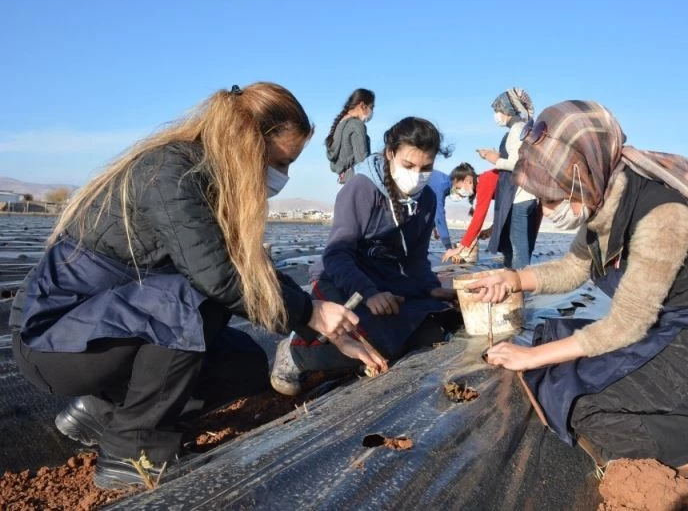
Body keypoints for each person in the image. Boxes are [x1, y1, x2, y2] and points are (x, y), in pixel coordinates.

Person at [9, 82, 385, 489]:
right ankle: (131, 449)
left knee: (241, 365)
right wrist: (311, 312)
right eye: (280, 161)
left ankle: (101, 411)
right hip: (54, 336)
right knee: (191, 300)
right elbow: (219, 275)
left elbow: (248, 266)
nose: (283, 176)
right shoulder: (171, 173)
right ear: (247, 142)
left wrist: (316, 322)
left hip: (102, 327)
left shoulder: (211, 180)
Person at [469, 100, 688, 477]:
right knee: (559, 366)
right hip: (674, 329)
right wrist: (514, 279)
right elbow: (573, 268)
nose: (547, 211)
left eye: (553, 199)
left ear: (584, 175)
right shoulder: (604, 195)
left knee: (584, 405)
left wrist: (534, 358)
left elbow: (628, 325)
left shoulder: (661, 215)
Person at [271, 117, 460, 396]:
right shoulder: (362, 188)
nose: (417, 174)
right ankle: (297, 351)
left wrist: (431, 288)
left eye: (426, 168)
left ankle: (368, 342)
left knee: (432, 331)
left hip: (386, 281)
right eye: (409, 166)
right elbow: (337, 255)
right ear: (390, 154)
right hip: (342, 278)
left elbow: (415, 260)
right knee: (374, 341)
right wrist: (370, 294)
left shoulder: (427, 200)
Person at [476, 88, 543, 269]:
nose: (496, 115)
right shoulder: (526, 129)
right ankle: (518, 285)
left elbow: (516, 164)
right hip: (528, 197)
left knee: (517, 248)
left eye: (497, 111)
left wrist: (494, 159)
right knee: (518, 246)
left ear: (506, 109)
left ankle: (520, 289)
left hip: (520, 197)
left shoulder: (517, 129)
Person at [441, 164, 500, 264]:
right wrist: (491, 229)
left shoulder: (485, 181)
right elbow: (503, 208)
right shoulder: (483, 183)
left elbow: (478, 218)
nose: (459, 191)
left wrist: (459, 249)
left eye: (458, 187)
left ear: (468, 180)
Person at [325, 88, 375, 184]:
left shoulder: (340, 124)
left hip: (343, 181)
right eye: (371, 107)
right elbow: (363, 162)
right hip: (357, 182)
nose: (372, 111)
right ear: (362, 106)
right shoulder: (357, 125)